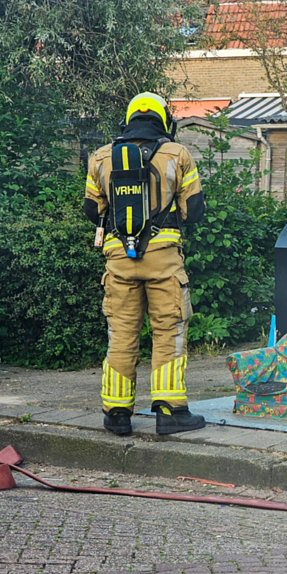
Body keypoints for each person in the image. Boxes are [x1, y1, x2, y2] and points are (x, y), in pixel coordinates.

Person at [83, 92, 206, 436]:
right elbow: (193, 210)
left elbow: (92, 211)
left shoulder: (101, 157)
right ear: (164, 120)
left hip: (119, 259)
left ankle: (117, 413)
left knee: (121, 333)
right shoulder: (178, 154)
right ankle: (170, 411)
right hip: (164, 259)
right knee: (169, 330)